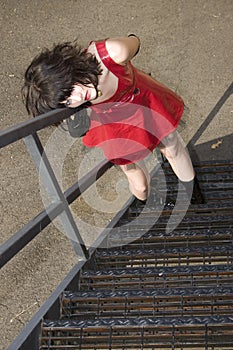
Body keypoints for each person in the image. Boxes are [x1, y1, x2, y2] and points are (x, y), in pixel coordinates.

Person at [22, 35, 204, 207]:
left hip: (143, 102)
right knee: (137, 179)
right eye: (67, 101)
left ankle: (193, 195)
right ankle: (143, 206)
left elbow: (135, 41)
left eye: (71, 88)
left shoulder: (113, 53)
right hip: (111, 123)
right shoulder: (77, 100)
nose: (77, 98)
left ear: (68, 70)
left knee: (172, 148)